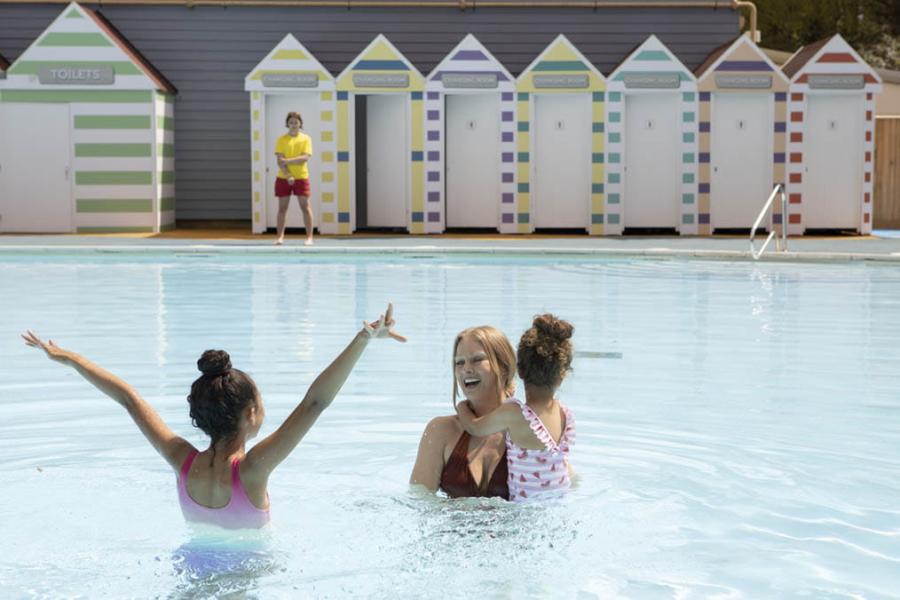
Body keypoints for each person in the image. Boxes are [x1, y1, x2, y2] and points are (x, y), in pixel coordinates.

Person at [21, 304, 405, 529]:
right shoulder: (253, 470)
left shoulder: (182, 462)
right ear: (251, 413)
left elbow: (129, 399)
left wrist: (70, 358)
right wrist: (362, 341)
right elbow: (314, 404)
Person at [456, 314, 575, 502]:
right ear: (563, 374)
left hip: (525, 512)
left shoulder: (515, 414)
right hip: (559, 501)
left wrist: (461, 406)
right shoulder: (563, 414)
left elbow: (475, 427)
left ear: (518, 371)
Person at [410, 326, 517, 499]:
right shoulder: (441, 431)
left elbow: (564, 485)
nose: (466, 369)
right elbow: (418, 501)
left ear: (503, 366)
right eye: (459, 362)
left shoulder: (527, 428)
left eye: (477, 359)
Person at [274, 111, 314, 246]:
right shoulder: (281, 139)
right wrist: (288, 175)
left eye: (296, 122)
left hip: (302, 177)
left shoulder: (306, 139)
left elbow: (305, 158)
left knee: (305, 207)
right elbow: (280, 161)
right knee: (282, 209)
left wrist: (288, 161)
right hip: (283, 178)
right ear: (287, 124)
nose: (293, 125)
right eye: (291, 122)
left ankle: (309, 238)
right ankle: (280, 237)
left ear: (300, 124)